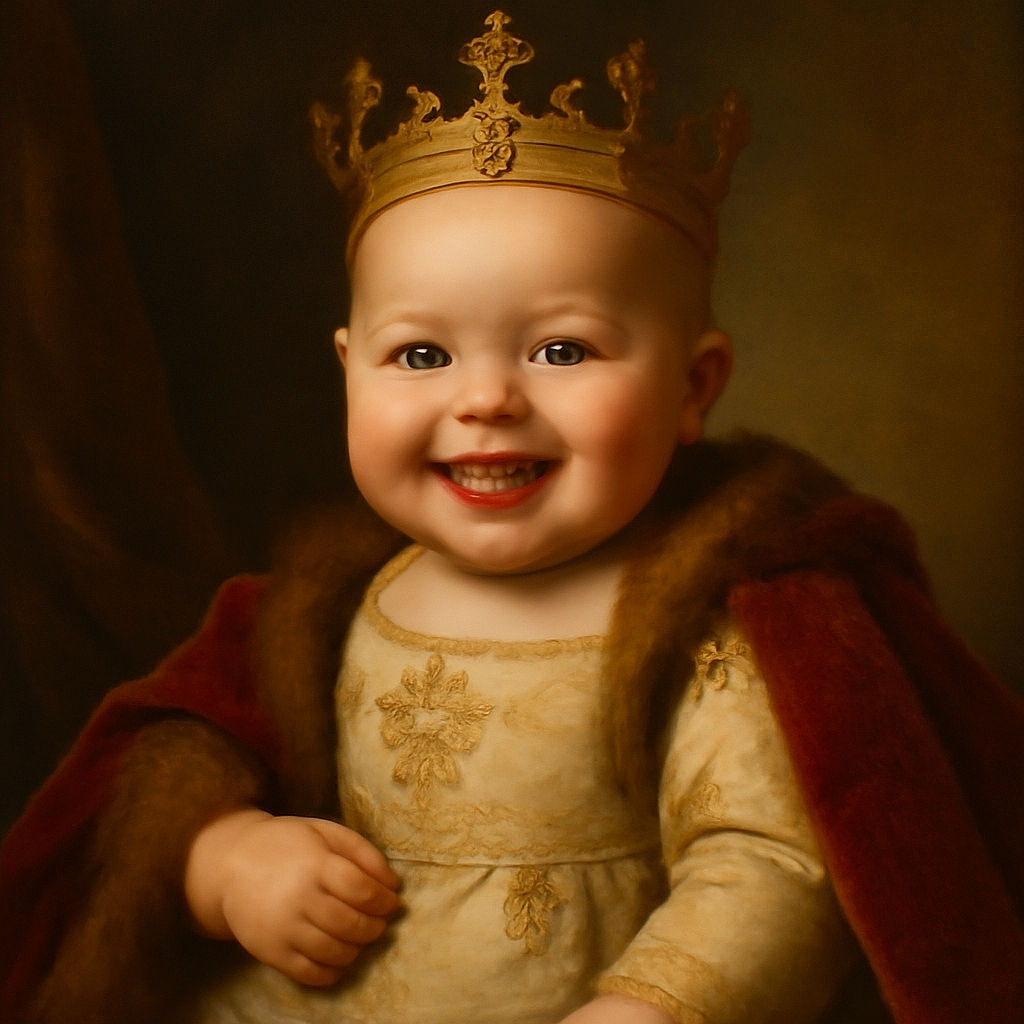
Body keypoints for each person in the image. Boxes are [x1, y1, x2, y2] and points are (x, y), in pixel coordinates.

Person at [2, 11, 1022, 1024]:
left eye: (562, 351)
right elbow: (156, 774)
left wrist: (644, 1009)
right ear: (347, 372)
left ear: (692, 388)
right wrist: (225, 861)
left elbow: (771, 864)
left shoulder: (710, 629)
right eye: (420, 356)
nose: (485, 398)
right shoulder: (316, 612)